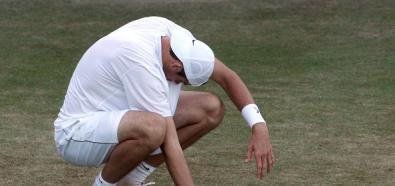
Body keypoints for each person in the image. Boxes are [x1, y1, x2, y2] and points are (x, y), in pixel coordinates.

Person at [54, 16, 275, 186]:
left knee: (210, 108)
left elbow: (227, 76)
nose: (179, 86)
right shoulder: (140, 61)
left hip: (118, 117)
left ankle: (130, 180)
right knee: (154, 128)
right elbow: (171, 145)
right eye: (181, 82)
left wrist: (259, 126)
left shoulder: (178, 41)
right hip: (76, 135)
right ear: (176, 67)